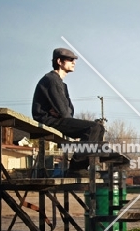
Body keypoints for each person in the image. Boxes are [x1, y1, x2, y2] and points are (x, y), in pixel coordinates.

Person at [32, 48, 105, 178]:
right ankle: (76, 168)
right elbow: (65, 111)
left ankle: (88, 165)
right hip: (48, 120)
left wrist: (61, 111)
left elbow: (70, 110)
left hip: (58, 119)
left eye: (74, 60)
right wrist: (59, 111)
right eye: (70, 60)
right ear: (59, 61)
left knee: (99, 128)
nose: (74, 62)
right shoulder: (51, 80)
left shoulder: (62, 84)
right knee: (93, 128)